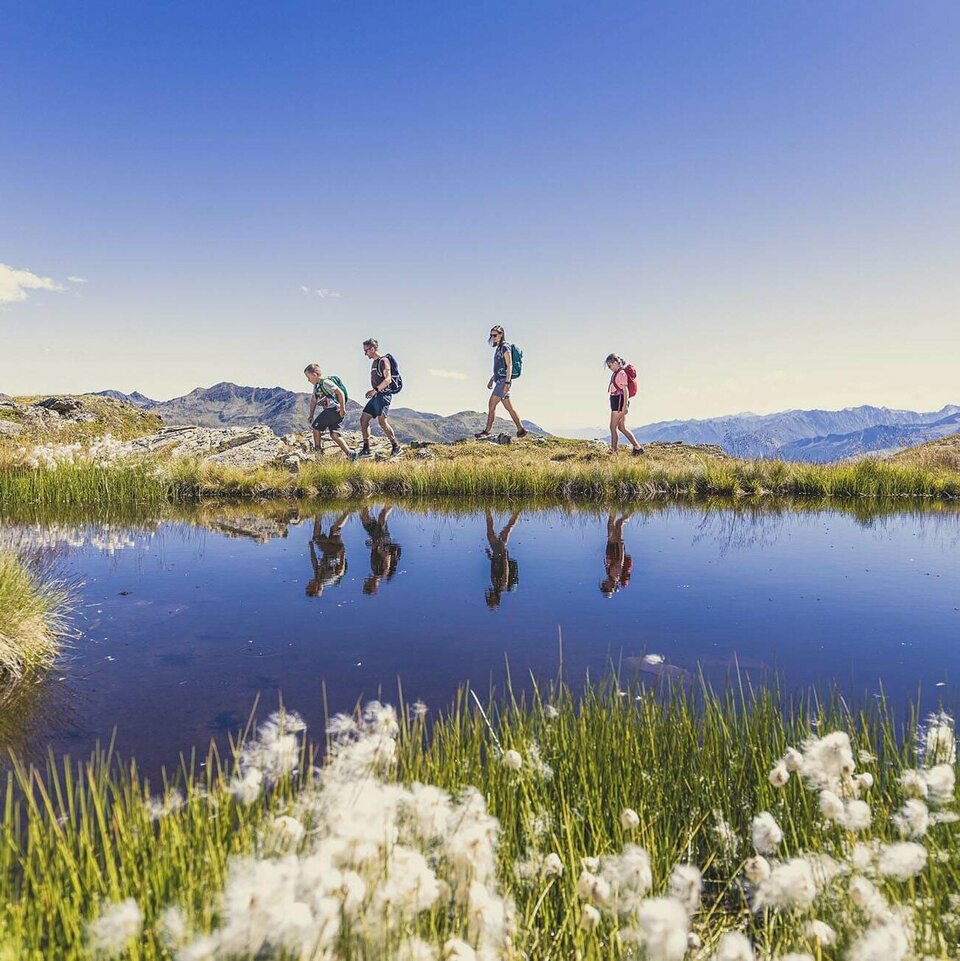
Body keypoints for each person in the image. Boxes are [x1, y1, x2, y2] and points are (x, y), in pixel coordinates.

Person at [474, 325, 528, 440]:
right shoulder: (499, 348)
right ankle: (521, 430)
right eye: (491, 335)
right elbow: (500, 367)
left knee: (491, 404)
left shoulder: (505, 347)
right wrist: (492, 379)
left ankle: (487, 431)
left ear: (501, 334)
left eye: (495, 335)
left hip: (503, 381)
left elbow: (509, 365)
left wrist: (507, 383)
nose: (493, 337)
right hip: (500, 380)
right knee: (509, 407)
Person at [359, 338, 403, 459]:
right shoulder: (374, 363)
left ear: (372, 349)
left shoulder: (384, 361)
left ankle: (396, 446)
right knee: (364, 419)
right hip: (376, 396)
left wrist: (375, 390)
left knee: (382, 421)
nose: (365, 353)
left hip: (383, 395)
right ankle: (366, 449)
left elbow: (388, 379)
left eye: (366, 350)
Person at [304, 363, 356, 459]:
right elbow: (313, 400)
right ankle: (350, 454)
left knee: (316, 428)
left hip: (333, 410)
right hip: (335, 412)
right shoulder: (316, 386)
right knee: (334, 435)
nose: (308, 380)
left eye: (308, 377)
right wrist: (311, 415)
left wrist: (343, 408)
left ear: (314, 375)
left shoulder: (325, 382)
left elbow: (340, 393)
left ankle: (318, 453)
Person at [605, 353, 643, 455]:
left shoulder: (621, 373)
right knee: (621, 427)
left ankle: (613, 451)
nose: (609, 368)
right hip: (617, 401)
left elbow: (625, 390)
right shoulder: (617, 373)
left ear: (615, 362)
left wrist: (624, 406)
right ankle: (637, 448)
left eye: (609, 365)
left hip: (619, 402)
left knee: (612, 427)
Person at [305, 511, 350, 597]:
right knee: (329, 532)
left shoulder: (318, 577)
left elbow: (314, 562)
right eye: (310, 585)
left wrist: (311, 548)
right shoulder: (326, 579)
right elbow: (340, 571)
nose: (309, 582)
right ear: (316, 588)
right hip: (334, 551)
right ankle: (319, 515)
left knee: (333, 530)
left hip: (329, 550)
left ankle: (345, 512)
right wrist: (342, 554)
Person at [359, 505, 402, 594]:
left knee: (364, 518)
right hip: (383, 540)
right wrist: (379, 549)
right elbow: (387, 556)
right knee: (382, 516)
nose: (366, 581)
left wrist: (372, 545)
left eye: (366, 583)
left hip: (376, 538)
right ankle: (392, 500)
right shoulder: (383, 572)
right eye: (367, 583)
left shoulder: (374, 569)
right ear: (373, 586)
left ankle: (366, 500)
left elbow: (373, 551)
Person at [484, 509, 521, 608]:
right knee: (506, 529)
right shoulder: (502, 585)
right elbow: (506, 568)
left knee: (496, 532)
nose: (488, 596)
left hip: (496, 554)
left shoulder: (496, 585)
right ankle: (518, 511)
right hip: (500, 553)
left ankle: (488, 510)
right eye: (490, 598)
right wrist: (504, 553)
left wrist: (490, 556)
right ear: (495, 598)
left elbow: (494, 568)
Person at [600, 512, 633, 597]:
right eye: (606, 587)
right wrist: (620, 542)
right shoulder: (616, 575)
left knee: (610, 523)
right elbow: (621, 559)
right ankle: (633, 510)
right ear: (611, 587)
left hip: (611, 544)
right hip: (616, 545)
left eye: (604, 586)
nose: (605, 585)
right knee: (619, 523)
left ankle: (614, 506)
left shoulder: (609, 575)